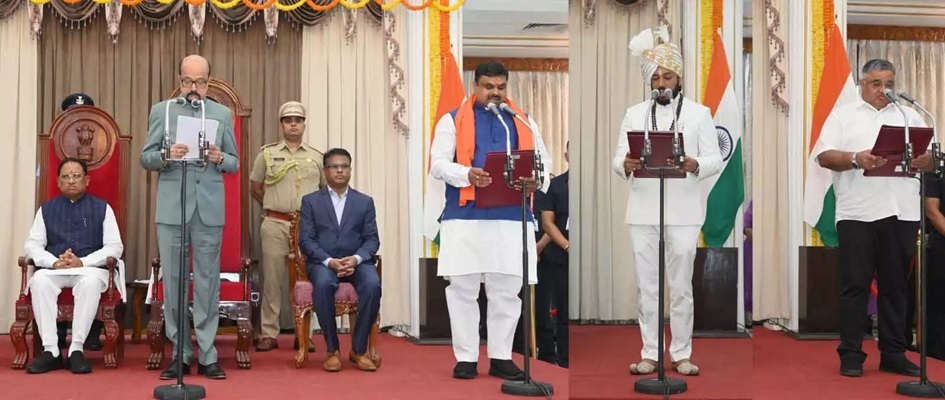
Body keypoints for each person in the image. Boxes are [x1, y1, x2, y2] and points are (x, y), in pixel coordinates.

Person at [430, 61, 552, 380]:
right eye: (488, 86)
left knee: (507, 290)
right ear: (475, 86)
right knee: (462, 289)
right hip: (465, 217)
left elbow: (543, 161)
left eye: (500, 87)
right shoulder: (452, 119)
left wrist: (538, 180)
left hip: (511, 218)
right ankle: (466, 357)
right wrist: (466, 174)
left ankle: (500, 357)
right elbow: (438, 164)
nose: (494, 92)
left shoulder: (522, 121)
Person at [812, 58, 932, 377]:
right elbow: (824, 156)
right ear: (862, 85)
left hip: (902, 211)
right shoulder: (843, 115)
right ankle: (851, 354)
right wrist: (856, 159)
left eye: (889, 84)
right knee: (855, 286)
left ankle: (893, 353)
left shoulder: (909, 116)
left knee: (896, 287)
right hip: (858, 213)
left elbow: (932, 157)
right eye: (876, 83)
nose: (884, 90)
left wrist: (926, 161)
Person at [613, 28, 724, 376]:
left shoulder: (700, 113)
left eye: (668, 77)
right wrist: (625, 164)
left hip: (684, 212)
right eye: (656, 78)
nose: (662, 84)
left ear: (678, 78)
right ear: (649, 81)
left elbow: (716, 159)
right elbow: (617, 159)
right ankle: (650, 352)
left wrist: (694, 163)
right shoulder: (634, 113)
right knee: (647, 287)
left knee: (680, 287)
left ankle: (681, 353)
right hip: (642, 210)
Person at [139, 54, 239, 380]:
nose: (193, 88)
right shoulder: (162, 111)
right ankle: (180, 354)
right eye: (187, 81)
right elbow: (146, 157)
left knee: (207, 284)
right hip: (172, 208)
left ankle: (208, 355)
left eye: (200, 82)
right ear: (179, 80)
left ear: (209, 82)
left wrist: (220, 157)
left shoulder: (222, 114)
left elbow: (235, 162)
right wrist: (165, 155)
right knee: (175, 283)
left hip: (208, 209)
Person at [23, 158, 123, 374]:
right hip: (56, 269)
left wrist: (82, 262)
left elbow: (115, 247)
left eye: (76, 176)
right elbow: (32, 246)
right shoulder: (46, 209)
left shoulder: (102, 208)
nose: (71, 181)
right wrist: (53, 262)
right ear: (58, 182)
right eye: (66, 177)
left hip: (90, 269)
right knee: (39, 281)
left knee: (89, 283)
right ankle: (51, 351)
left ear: (86, 180)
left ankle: (76, 349)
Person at [250, 101, 324, 353]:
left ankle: (304, 333)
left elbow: (324, 192)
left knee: (305, 281)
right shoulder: (267, 154)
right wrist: (276, 206)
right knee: (272, 280)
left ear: (304, 124)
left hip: (306, 227)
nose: (293, 124)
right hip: (275, 223)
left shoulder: (317, 156)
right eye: (288, 120)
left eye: (298, 120)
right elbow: (255, 188)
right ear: (281, 125)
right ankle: (269, 333)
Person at [299, 148, 381, 372]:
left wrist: (355, 259)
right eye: (334, 166)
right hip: (323, 262)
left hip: (356, 262)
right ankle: (332, 350)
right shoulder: (310, 201)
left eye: (344, 166)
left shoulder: (364, 202)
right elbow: (306, 240)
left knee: (372, 284)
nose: (340, 170)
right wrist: (329, 261)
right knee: (324, 284)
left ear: (350, 170)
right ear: (325, 171)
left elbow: (372, 239)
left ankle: (358, 349)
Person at [55, 93, 104, 352]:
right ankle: (58, 331)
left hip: (91, 212)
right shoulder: (53, 144)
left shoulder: (104, 142)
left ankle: (92, 330)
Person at [537, 141, 570, 368]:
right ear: (566, 155)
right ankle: (563, 360)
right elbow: (548, 223)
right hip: (560, 255)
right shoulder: (555, 185)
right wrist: (567, 246)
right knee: (562, 310)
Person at [923, 174, 945, 361]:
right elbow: (932, 210)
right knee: (939, 306)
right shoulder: (936, 170)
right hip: (942, 245)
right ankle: (936, 355)